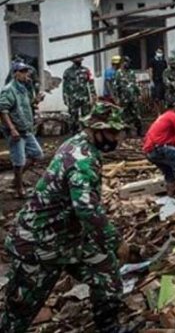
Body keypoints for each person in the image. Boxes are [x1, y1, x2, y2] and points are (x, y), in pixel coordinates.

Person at [0, 101, 129, 333]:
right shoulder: (82, 159)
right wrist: (116, 241)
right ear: (97, 130)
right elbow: (87, 210)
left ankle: (108, 326)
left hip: (69, 238)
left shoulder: (82, 145)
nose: (117, 138)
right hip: (39, 243)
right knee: (19, 311)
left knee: (106, 270)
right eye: (113, 132)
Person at [0, 62, 44, 198]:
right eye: (22, 71)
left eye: (26, 71)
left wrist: (36, 100)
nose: (26, 74)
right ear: (15, 74)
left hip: (26, 129)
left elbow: (27, 105)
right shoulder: (9, 89)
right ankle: (19, 190)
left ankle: (16, 179)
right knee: (18, 160)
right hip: (16, 131)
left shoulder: (23, 88)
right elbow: (3, 110)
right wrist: (12, 129)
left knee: (37, 154)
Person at [63, 56, 96, 133]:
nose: (79, 61)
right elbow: (65, 86)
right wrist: (65, 98)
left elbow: (91, 83)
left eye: (80, 59)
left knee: (86, 117)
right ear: (73, 61)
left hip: (84, 97)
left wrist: (93, 94)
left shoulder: (86, 70)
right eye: (77, 60)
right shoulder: (67, 72)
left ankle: (86, 133)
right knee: (73, 117)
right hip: (73, 98)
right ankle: (74, 133)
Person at [113, 57, 143, 136]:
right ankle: (127, 132)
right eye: (125, 62)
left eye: (128, 62)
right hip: (124, 98)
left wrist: (139, 94)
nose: (127, 64)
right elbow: (116, 87)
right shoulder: (118, 73)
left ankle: (139, 131)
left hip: (133, 97)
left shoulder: (132, 72)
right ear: (122, 63)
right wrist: (117, 98)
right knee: (125, 115)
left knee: (137, 114)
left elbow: (135, 84)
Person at [148, 48, 167, 113]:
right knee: (156, 97)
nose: (160, 53)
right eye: (158, 52)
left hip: (162, 81)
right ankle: (158, 112)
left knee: (163, 97)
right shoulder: (152, 60)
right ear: (156, 52)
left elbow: (165, 71)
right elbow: (150, 70)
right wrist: (151, 80)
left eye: (161, 52)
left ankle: (163, 111)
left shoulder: (163, 61)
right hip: (155, 80)